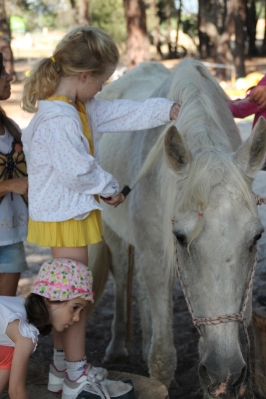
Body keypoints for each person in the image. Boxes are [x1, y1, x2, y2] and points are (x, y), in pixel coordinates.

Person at [21, 26, 179, 399]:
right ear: (84, 76)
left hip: (68, 214)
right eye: (103, 80)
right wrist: (109, 188)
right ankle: (77, 374)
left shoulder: (76, 106)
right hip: (67, 217)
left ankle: (62, 369)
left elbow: (120, 113)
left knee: (66, 292)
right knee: (74, 294)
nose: (104, 88)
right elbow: (76, 169)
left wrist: (165, 109)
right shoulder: (60, 119)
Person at [0, 258, 134, 399]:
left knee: (9, 353)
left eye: (81, 310)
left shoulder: (15, 313)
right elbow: (16, 392)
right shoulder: (25, 335)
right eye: (74, 307)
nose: (76, 318)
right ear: (50, 299)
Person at [0, 52, 28, 296]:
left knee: (4, 316)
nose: (9, 76)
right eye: (2, 73)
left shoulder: (13, 130)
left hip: (11, 238)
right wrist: (9, 185)